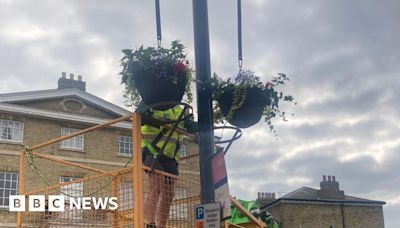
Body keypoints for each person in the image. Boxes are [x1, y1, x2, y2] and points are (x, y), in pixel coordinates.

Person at [141, 105, 184, 228]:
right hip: (152, 150)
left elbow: (190, 125)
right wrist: (156, 121)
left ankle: (161, 226)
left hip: (170, 157)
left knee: (169, 193)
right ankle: (149, 223)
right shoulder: (151, 101)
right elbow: (139, 114)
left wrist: (203, 131)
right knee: (156, 184)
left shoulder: (179, 110)